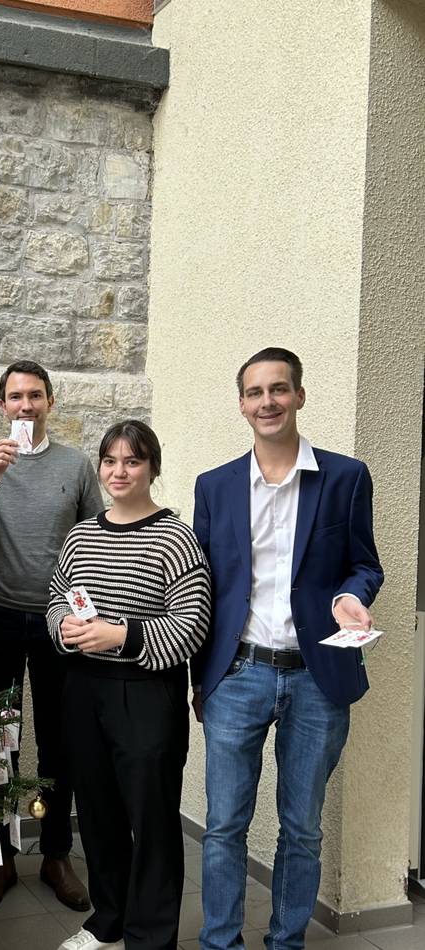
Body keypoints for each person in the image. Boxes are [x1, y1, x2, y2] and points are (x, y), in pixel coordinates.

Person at [192, 347, 384, 950]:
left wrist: (351, 596)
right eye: (255, 392)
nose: (267, 401)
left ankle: (286, 942)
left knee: (301, 829)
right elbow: (202, 586)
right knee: (223, 826)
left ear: (299, 396)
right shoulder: (215, 485)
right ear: (242, 404)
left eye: (279, 389)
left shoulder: (346, 477)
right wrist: (202, 679)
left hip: (316, 677)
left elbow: (364, 564)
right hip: (237, 673)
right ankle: (222, 942)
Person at [48, 420, 211, 950]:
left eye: (133, 461)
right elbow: (57, 600)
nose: (120, 472)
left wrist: (120, 635)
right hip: (83, 690)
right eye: (111, 461)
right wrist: (65, 630)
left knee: (153, 820)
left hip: (145, 691)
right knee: (97, 813)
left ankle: (151, 936)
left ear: (153, 469)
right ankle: (108, 918)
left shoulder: (175, 537)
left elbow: (192, 626)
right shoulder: (82, 534)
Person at [0, 359, 103, 910]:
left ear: (49, 403)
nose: (25, 406)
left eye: (35, 396)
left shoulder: (76, 464)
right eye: (15, 397)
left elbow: (98, 534)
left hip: (58, 622)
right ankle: (0, 858)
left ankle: (57, 855)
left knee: (59, 738)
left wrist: (88, 608)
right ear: (2, 406)